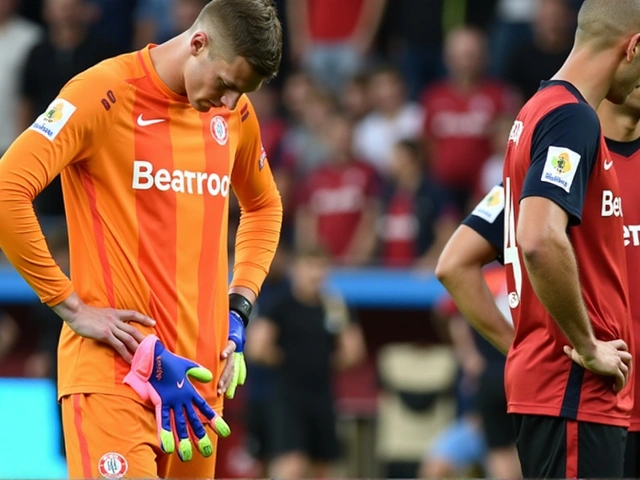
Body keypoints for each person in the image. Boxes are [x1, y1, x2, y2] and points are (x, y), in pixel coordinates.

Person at [0, 0, 283, 478]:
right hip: (113, 378)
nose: (230, 105)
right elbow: (8, 187)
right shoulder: (102, 92)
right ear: (198, 43)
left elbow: (263, 206)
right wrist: (69, 305)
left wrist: (239, 308)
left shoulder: (234, 114)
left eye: (243, 94)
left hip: (196, 389)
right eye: (226, 85)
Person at [440, 1, 640, 477]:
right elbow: (532, 240)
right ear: (633, 49)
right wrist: (575, 345)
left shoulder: (542, 115)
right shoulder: (571, 124)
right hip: (584, 389)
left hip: (588, 394)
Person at [245, 247, 366, 479]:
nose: (315, 274)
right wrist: (290, 360)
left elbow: (354, 351)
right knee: (292, 465)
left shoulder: (335, 306)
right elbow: (257, 348)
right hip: (287, 397)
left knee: (323, 468)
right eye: (310, 267)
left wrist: (322, 362)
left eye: (321, 267)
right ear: (296, 270)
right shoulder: (280, 305)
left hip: (323, 395)